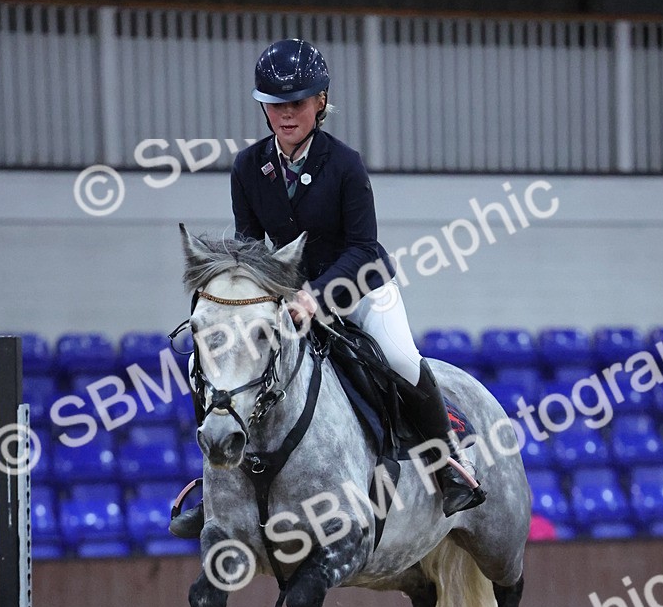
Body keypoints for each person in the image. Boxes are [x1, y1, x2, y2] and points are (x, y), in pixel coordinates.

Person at [171, 38, 485, 538]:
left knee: (402, 359)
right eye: (275, 106)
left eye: (296, 103)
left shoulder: (345, 164)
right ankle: (216, 486)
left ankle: (447, 466)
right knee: (219, 362)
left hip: (358, 288)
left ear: (320, 102)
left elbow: (363, 246)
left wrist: (316, 295)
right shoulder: (249, 168)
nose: (286, 115)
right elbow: (252, 248)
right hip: (288, 297)